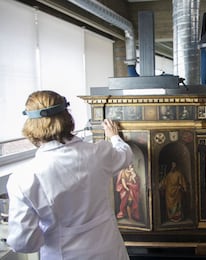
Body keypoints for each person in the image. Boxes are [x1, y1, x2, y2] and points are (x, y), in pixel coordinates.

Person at [7, 90, 132, 260]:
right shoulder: (98, 153)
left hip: (62, 254)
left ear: (30, 124)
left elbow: (24, 243)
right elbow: (125, 155)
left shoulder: (23, 178)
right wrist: (114, 137)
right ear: (67, 117)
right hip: (108, 250)